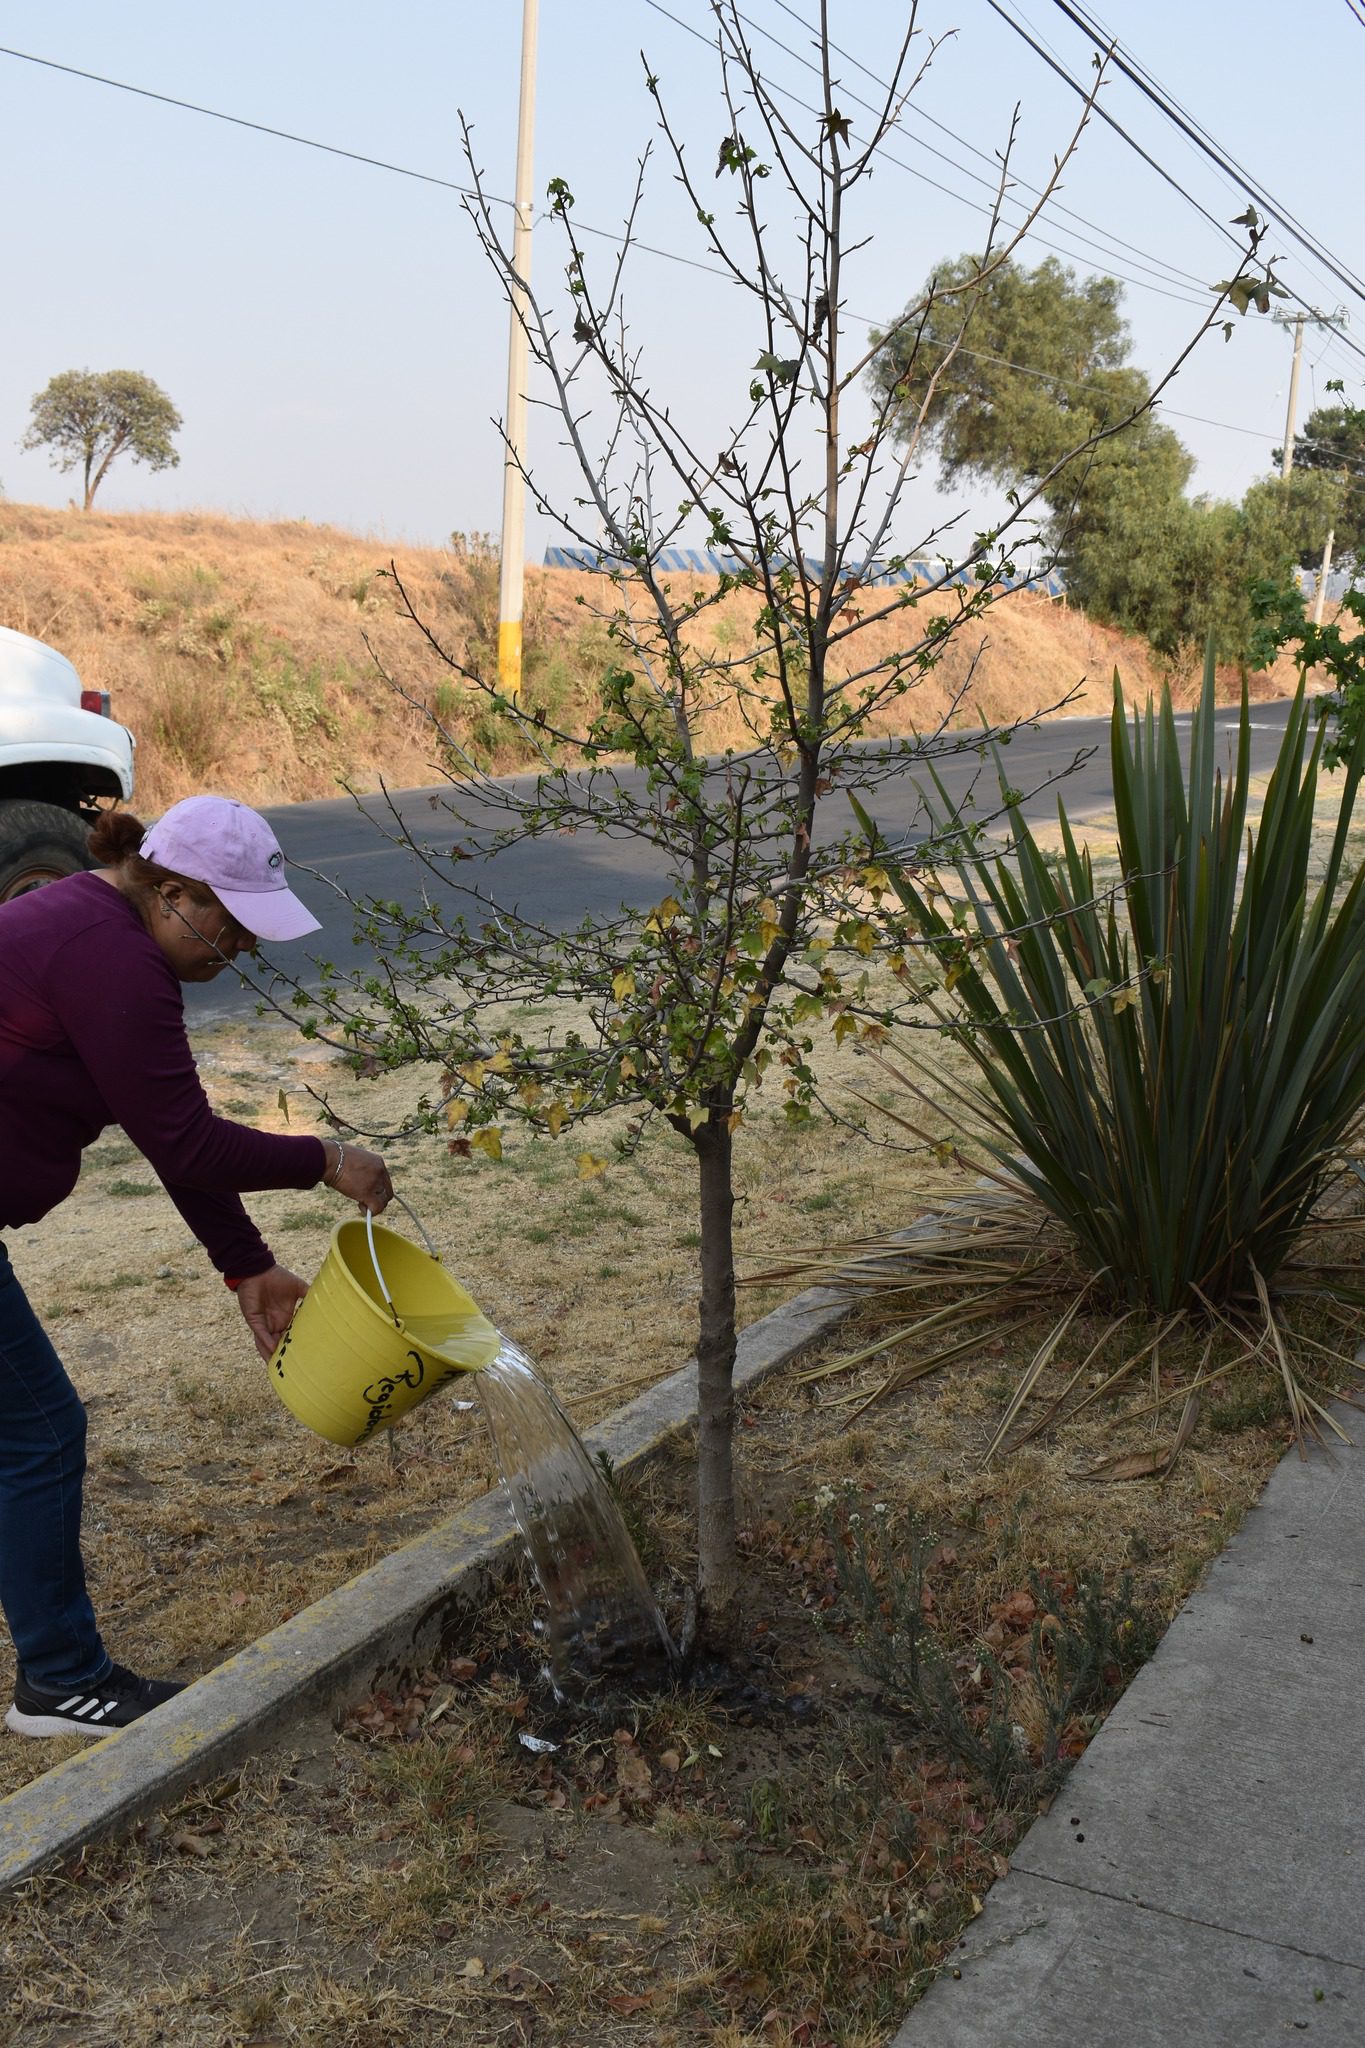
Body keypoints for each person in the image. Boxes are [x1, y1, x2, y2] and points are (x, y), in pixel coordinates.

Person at [0, 795, 392, 1739]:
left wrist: (244, 1265)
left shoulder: (92, 924)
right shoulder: (113, 957)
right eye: (235, 925)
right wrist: (327, 1161)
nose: (243, 951)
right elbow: (189, 1144)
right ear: (176, 892)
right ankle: (61, 1682)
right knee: (42, 1429)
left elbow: (163, 1131)